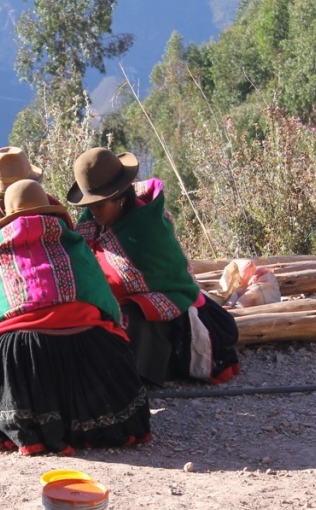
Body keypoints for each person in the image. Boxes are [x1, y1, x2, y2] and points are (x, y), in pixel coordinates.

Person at [0, 180, 152, 456]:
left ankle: (34, 425)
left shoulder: (1, 248)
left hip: (21, 356)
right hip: (89, 346)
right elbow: (106, 305)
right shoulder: (72, 241)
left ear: (8, 214)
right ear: (48, 210)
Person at [68, 147, 240, 385]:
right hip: (113, 301)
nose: (93, 210)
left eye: (100, 204)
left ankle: (136, 375)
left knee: (126, 318)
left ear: (120, 198)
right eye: (90, 204)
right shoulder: (92, 220)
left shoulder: (148, 231)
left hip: (167, 307)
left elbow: (173, 283)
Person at [0, 146, 66, 303]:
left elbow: (71, 258)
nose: (12, 200)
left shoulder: (55, 211)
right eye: (4, 197)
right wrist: (3, 298)